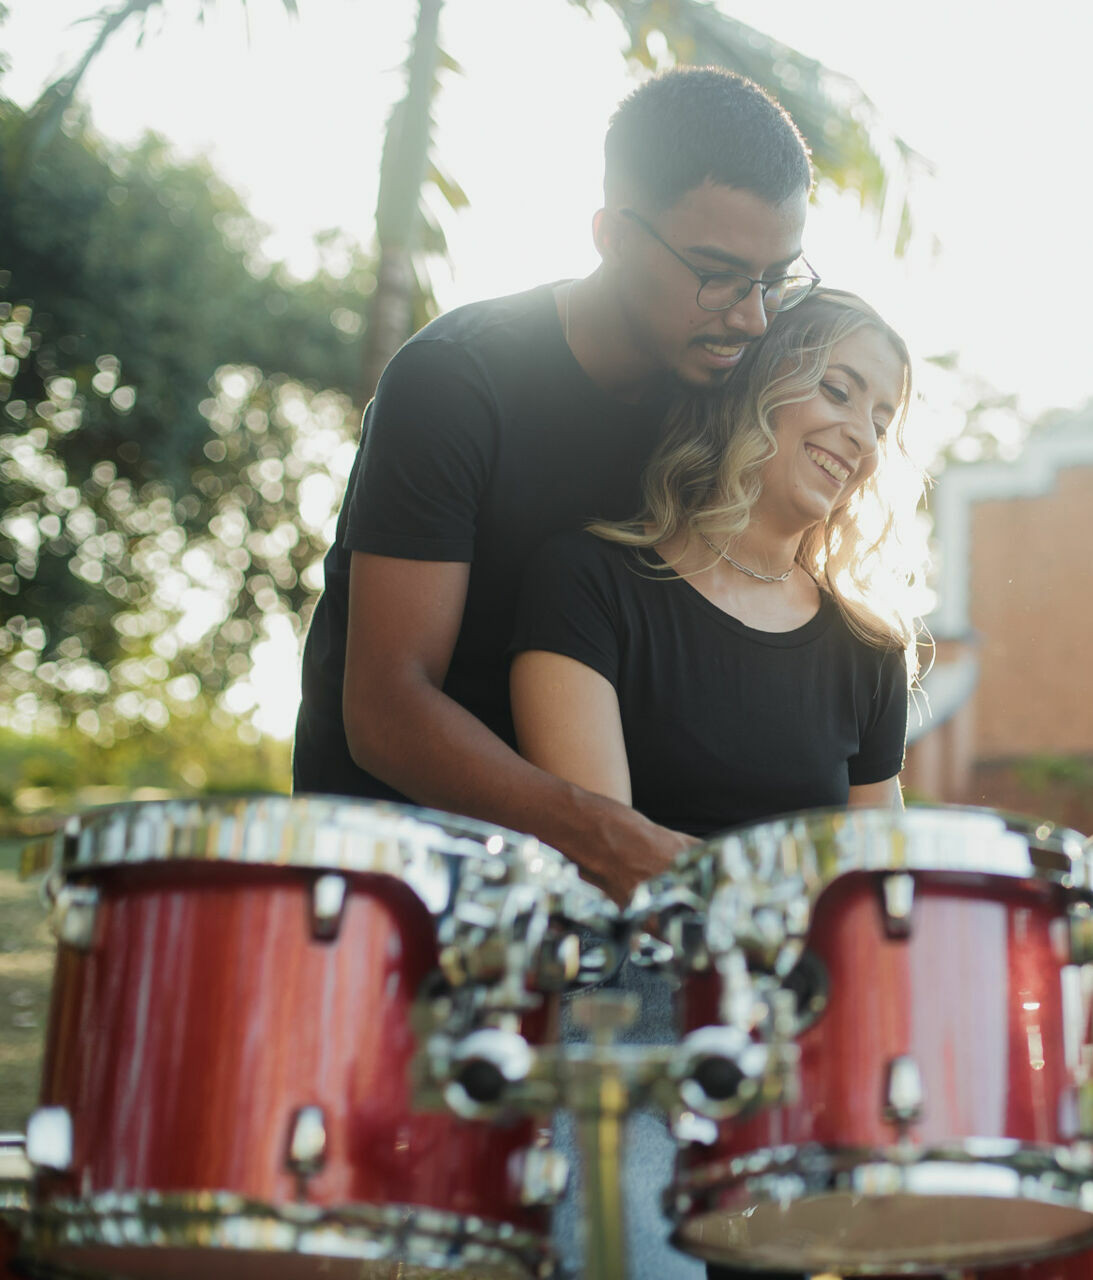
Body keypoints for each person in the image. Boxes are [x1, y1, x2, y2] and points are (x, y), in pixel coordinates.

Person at [291, 67, 820, 903]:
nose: (752, 316)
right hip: (395, 884)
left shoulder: (728, 400)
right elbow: (387, 711)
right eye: (717, 273)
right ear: (613, 234)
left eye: (776, 277)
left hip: (604, 897)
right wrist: (605, 838)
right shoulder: (455, 383)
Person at [509, 288, 923, 1280]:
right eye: (838, 390)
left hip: (799, 1040)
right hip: (629, 1024)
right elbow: (607, 859)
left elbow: (875, 893)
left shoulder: (869, 651)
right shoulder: (587, 582)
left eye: (882, 417)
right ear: (756, 384)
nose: (861, 435)